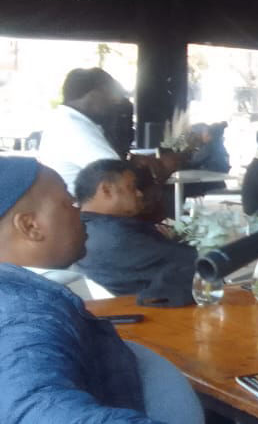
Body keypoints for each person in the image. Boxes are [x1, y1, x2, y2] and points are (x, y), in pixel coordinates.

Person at [0, 157, 163, 423]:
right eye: (70, 203)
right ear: (30, 226)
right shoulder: (26, 313)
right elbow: (37, 411)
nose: (82, 213)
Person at [73, 159, 197, 299]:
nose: (139, 194)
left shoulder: (88, 229)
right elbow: (195, 261)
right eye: (131, 187)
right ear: (106, 190)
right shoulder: (117, 235)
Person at [37, 68, 134, 194]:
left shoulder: (66, 119)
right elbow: (118, 175)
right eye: (111, 95)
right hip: (77, 205)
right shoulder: (74, 126)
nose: (114, 102)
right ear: (94, 94)